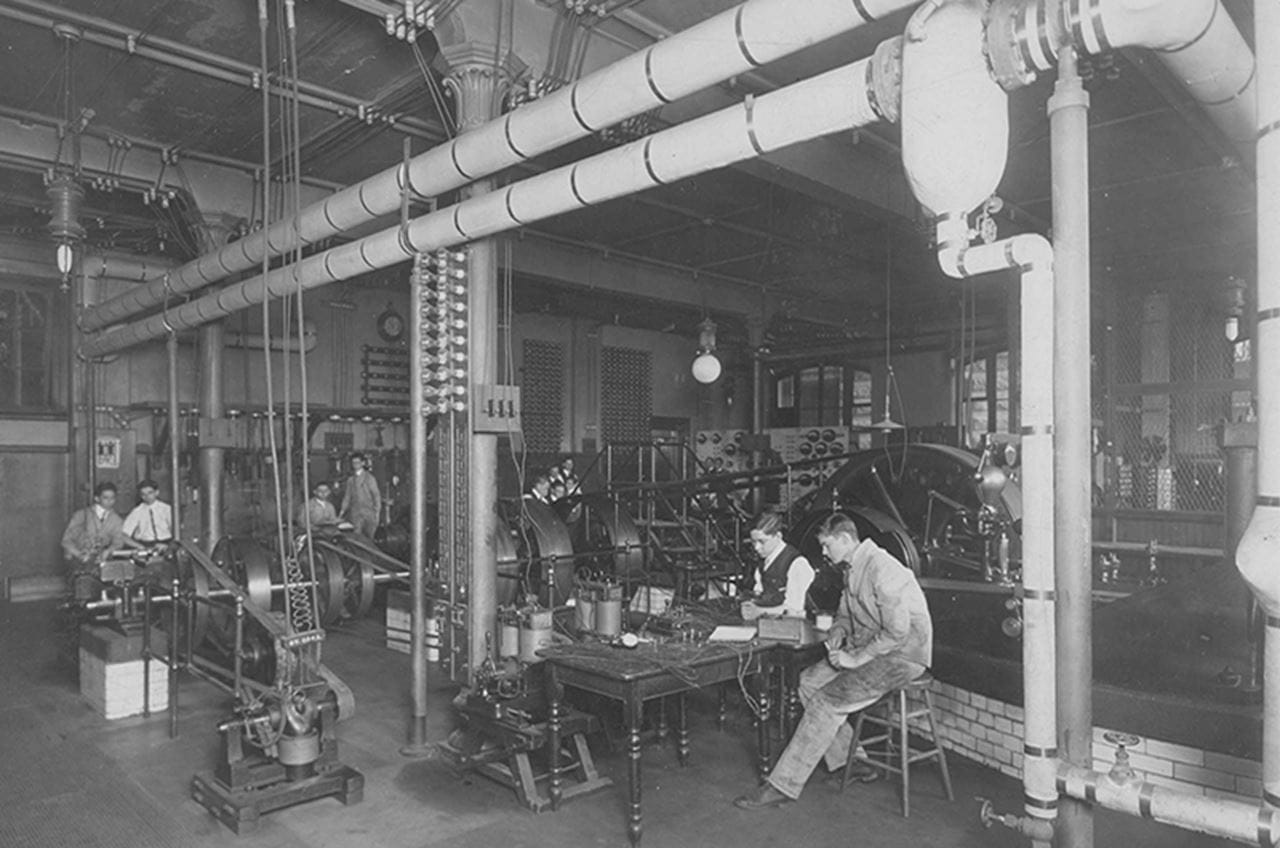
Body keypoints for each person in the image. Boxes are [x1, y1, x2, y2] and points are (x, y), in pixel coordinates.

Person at [734, 512, 933, 809]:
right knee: (808, 683)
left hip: (902, 657)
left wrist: (855, 659)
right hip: (871, 649)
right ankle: (852, 761)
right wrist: (838, 635)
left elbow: (897, 633)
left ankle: (782, 785)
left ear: (845, 539)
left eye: (827, 545)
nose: (824, 553)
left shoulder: (883, 568)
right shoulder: (852, 568)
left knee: (827, 702)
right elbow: (843, 615)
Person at [740, 511, 814, 621]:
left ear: (778, 536)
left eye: (762, 541)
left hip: (796, 626)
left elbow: (794, 610)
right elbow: (760, 595)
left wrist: (759, 611)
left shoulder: (797, 564)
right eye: (753, 542)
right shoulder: (763, 563)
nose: (756, 548)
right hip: (770, 623)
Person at [61, 482, 129, 599]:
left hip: (101, 559)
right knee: (84, 582)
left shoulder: (116, 519)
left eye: (112, 498)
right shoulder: (82, 515)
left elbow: (118, 541)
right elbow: (66, 541)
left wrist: (108, 551)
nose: (110, 501)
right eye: (105, 498)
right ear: (97, 498)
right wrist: (80, 555)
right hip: (79, 559)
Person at [121, 479, 173, 546]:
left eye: (150, 493)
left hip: (166, 543)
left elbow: (176, 532)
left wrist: (169, 546)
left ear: (157, 492)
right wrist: (139, 546)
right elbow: (124, 534)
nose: (147, 496)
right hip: (146, 544)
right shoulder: (137, 511)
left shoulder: (166, 509)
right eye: (143, 494)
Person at [340, 453, 381, 537]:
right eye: (353, 463)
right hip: (355, 514)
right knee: (356, 538)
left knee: (369, 537)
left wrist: (377, 512)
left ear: (363, 463)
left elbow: (376, 496)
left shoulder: (369, 478)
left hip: (368, 513)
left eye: (357, 462)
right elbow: (347, 497)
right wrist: (342, 511)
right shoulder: (351, 480)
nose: (355, 465)